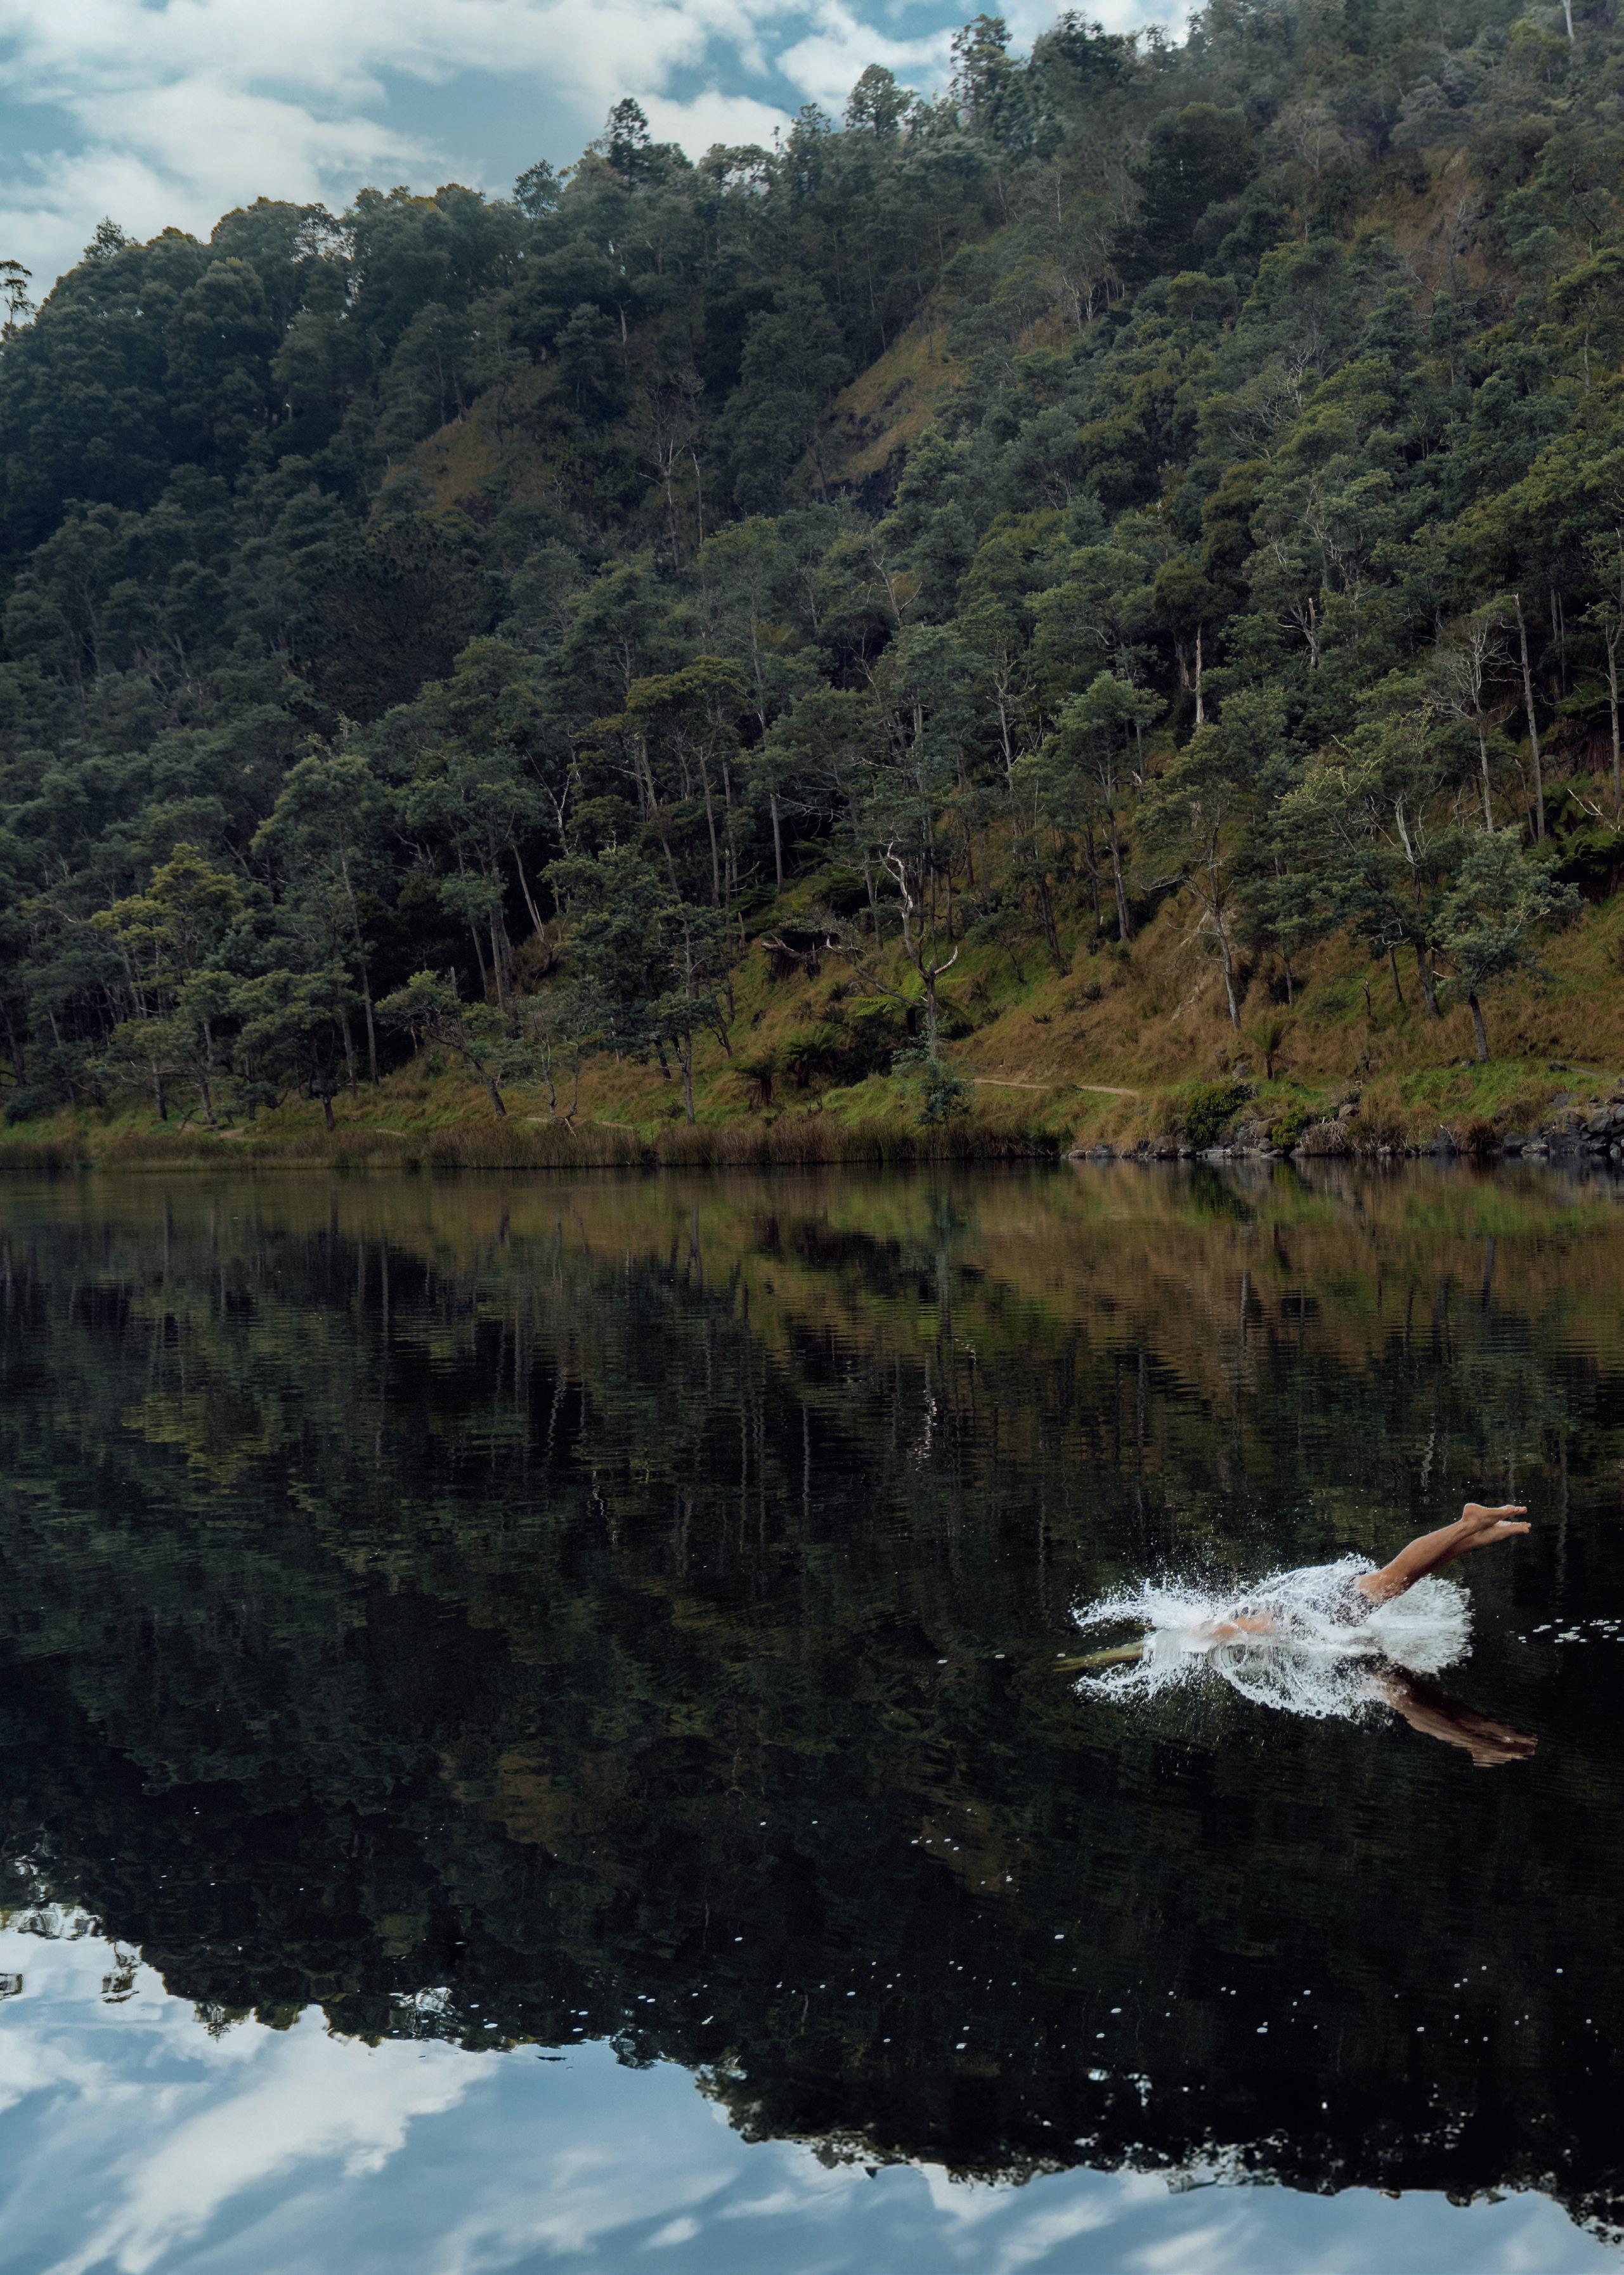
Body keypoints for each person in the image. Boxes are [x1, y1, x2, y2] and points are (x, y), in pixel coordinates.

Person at [1205, 1502, 1530, 1640]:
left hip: (1333, 1604)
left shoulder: (1219, 1627)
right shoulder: (1232, 1617)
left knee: (1394, 1577)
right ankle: (1471, 1537)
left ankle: (1467, 1525)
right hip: (1333, 1603)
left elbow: (1252, 1627)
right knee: (1404, 1579)